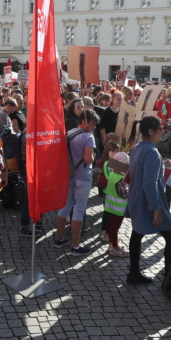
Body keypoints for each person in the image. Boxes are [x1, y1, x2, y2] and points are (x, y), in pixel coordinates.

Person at [124, 115, 171, 285]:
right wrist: (156, 209)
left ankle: (134, 272)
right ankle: (169, 275)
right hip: (149, 201)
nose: (163, 131)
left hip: (137, 198)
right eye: (160, 128)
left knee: (137, 233)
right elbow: (150, 184)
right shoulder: (151, 152)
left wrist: (161, 164)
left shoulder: (137, 147)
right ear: (150, 131)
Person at [54, 109, 100, 255]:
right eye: (93, 124)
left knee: (65, 207)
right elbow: (88, 159)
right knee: (79, 209)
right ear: (85, 122)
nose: (94, 127)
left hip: (68, 175)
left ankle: (59, 239)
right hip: (83, 176)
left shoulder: (69, 133)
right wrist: (93, 155)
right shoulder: (88, 137)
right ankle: (75, 246)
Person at [103, 151, 130, 257]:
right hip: (119, 209)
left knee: (111, 227)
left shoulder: (112, 175)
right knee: (115, 228)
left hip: (111, 206)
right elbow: (124, 195)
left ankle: (112, 244)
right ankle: (114, 247)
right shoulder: (120, 179)